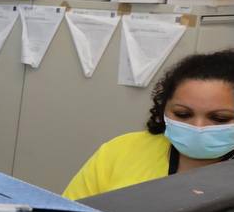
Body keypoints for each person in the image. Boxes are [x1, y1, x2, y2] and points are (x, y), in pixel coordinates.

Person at [64, 50, 234, 199]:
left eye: (220, 118)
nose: (198, 127)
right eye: (183, 114)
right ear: (163, 109)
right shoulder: (121, 151)